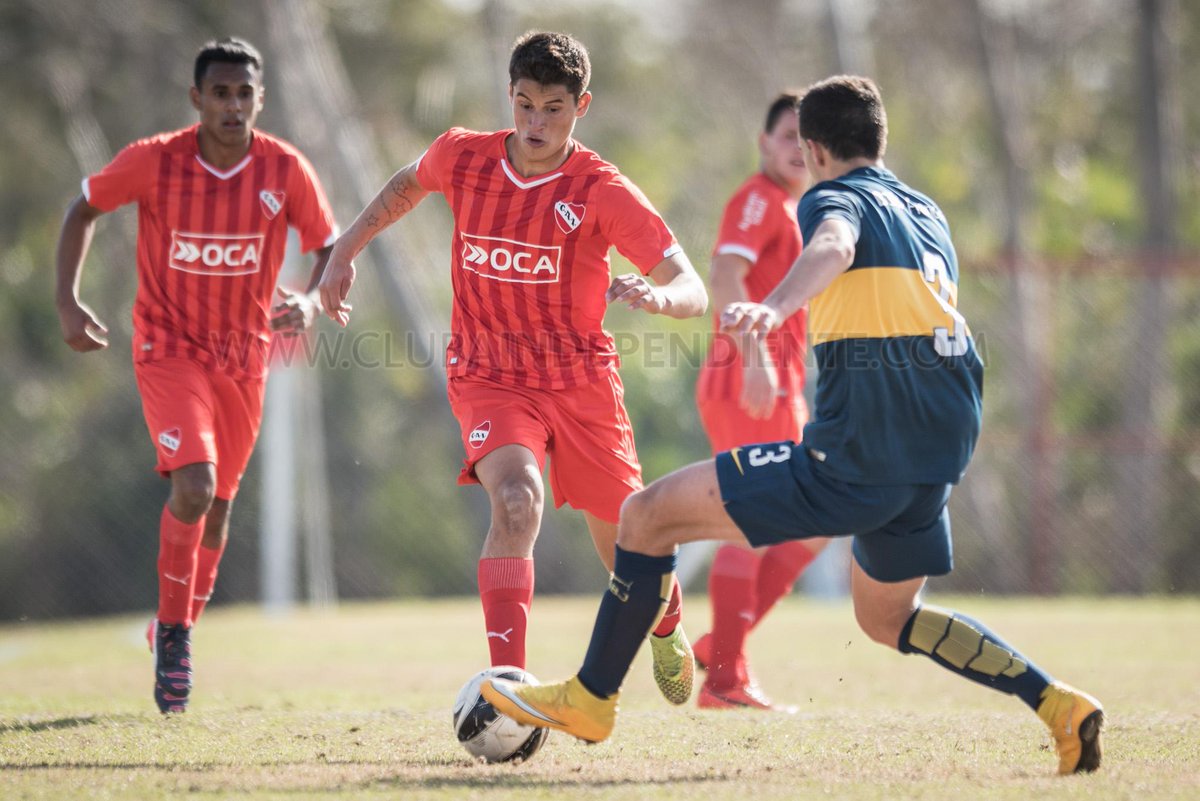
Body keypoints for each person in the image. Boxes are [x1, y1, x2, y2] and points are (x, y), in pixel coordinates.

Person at [483, 75, 1104, 776]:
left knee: (645, 515)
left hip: (858, 451)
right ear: (879, 138)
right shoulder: (925, 208)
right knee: (888, 617)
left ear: (811, 148)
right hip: (936, 452)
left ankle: (592, 697)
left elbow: (834, 244)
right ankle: (1058, 703)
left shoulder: (828, 197)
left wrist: (772, 309)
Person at [319, 31, 707, 704]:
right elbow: (408, 183)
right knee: (516, 500)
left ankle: (665, 622)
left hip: (580, 382)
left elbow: (691, 285)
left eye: (553, 108)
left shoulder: (601, 189)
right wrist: (344, 249)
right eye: (524, 104)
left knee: (632, 548)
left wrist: (658, 295)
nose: (535, 123)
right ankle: (508, 685)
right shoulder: (463, 156)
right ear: (509, 96)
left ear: (581, 105)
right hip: (489, 375)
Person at [54, 37, 338, 713]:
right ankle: (177, 635)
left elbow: (327, 244)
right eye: (220, 93)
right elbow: (84, 207)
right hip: (168, 349)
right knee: (195, 484)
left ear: (259, 99)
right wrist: (67, 299)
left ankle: (173, 624)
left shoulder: (283, 169)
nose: (233, 106)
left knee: (217, 510)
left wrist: (308, 299)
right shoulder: (155, 162)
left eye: (245, 94)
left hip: (244, 359)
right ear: (197, 99)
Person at [691, 92, 830, 710]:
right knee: (750, 521)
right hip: (749, 379)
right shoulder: (758, 198)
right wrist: (754, 356)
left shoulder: (799, 207)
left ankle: (720, 646)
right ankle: (725, 679)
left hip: (780, 384)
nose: (797, 148)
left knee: (820, 520)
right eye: (786, 135)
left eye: (808, 138)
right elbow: (724, 275)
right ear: (763, 142)